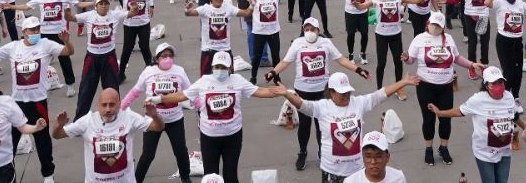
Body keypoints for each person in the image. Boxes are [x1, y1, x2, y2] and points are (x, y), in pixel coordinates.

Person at [151, 50, 287, 183]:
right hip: (209, 138)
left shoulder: (238, 80)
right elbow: (181, 95)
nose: (220, 70)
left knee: (231, 176)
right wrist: (159, 99)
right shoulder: (204, 81)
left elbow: (260, 91)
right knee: (211, 177)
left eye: (223, 67)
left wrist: (283, 93)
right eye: (217, 67)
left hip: (233, 137)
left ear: (230, 68)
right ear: (212, 67)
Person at [267, 17, 370, 172]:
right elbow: (285, 62)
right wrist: (273, 72)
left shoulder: (325, 43)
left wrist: (359, 70)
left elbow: (341, 59)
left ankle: (323, 151)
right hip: (302, 91)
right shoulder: (298, 43)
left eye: (312, 29)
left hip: (323, 91)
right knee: (304, 125)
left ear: (318, 31)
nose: (309, 32)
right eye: (306, 29)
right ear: (303, 30)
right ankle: (302, 151)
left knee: (322, 125)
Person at [0, 15, 73, 183]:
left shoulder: (45, 44)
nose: (35, 32)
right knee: (10, 141)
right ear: (23, 32)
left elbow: (68, 52)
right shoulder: (13, 47)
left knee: (42, 140)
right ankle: (7, 174)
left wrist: (67, 41)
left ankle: (48, 175)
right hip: (17, 104)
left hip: (38, 103)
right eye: (32, 30)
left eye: (37, 29)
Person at [279, 70, 415, 183]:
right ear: (331, 93)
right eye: (342, 93)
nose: (346, 96)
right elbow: (302, 104)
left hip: (357, 172)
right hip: (331, 172)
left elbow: (381, 94)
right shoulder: (322, 107)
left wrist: (403, 82)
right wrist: (286, 94)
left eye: (348, 92)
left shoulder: (358, 103)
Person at [404, 13, 476, 167]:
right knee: (429, 119)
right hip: (425, 86)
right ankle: (428, 149)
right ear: (428, 23)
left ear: (442, 27)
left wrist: (471, 64)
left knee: (445, 118)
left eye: (438, 26)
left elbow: (456, 58)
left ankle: (443, 147)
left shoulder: (448, 39)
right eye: (433, 24)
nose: (435, 28)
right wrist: (406, 58)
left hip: (445, 86)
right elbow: (411, 60)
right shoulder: (419, 39)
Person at [426, 66, 520, 183]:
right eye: (493, 83)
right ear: (486, 85)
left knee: (502, 181)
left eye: (500, 82)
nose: (498, 85)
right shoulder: (478, 100)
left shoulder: (508, 97)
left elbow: (515, 116)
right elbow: (459, 111)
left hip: (504, 151)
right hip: (484, 153)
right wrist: (440, 113)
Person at [53, 87, 164, 183]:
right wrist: (58, 126)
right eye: (104, 105)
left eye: (112, 105)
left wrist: (155, 116)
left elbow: (158, 127)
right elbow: (57, 135)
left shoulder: (129, 116)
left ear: (119, 104)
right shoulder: (87, 121)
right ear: (98, 106)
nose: (108, 109)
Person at [121, 42, 194, 183]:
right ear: (157, 59)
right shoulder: (148, 72)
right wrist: (121, 107)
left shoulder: (179, 71)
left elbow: (191, 92)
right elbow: (135, 92)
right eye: (164, 56)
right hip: (152, 121)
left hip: (175, 120)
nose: (167, 59)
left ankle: (185, 177)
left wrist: (201, 107)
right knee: (148, 154)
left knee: (180, 151)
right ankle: (137, 180)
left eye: (170, 56)